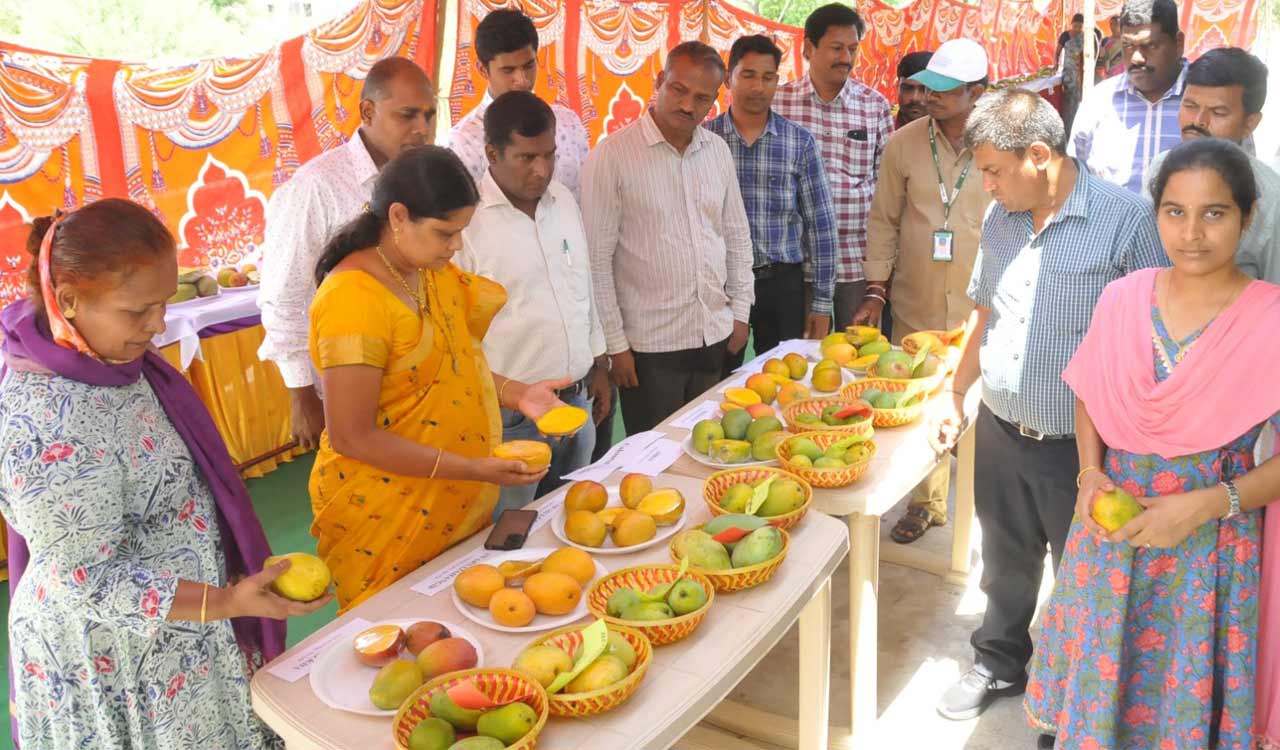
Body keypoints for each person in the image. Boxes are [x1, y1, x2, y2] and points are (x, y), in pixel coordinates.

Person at [0, 199, 330, 750]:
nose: (158, 328)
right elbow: (89, 579)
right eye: (138, 312)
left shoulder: (112, 363)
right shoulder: (46, 419)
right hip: (116, 653)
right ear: (70, 300)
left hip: (185, 623)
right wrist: (227, 601)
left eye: (162, 304)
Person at [1025, 138, 1280, 750]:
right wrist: (1090, 474)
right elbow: (1089, 389)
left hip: (1210, 553)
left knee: (1179, 706)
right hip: (1112, 541)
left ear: (1247, 217)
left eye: (1214, 213)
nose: (1192, 232)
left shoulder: (1270, 319)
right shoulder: (1123, 297)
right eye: (1174, 211)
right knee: (1102, 694)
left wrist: (1208, 504)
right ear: (1156, 214)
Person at [930, 88, 1168, 723]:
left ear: (1039, 155)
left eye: (992, 170)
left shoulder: (1125, 222)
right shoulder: (1004, 219)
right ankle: (999, 661)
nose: (986, 184)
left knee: (1083, 575)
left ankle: (1070, 700)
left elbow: (1155, 334)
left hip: (1082, 448)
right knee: (1005, 559)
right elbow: (986, 312)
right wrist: (956, 392)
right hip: (1004, 430)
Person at [307, 145, 569, 611]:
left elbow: (451, 368)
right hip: (385, 513)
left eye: (461, 233)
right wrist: (472, 467)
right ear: (399, 216)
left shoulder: (428, 273)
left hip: (453, 495)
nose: (456, 247)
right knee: (399, 631)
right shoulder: (352, 299)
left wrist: (517, 393)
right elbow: (351, 435)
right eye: (445, 233)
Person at [259, 57, 436, 452]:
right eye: (407, 115)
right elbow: (282, 295)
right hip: (349, 385)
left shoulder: (421, 179)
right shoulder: (315, 187)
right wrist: (301, 393)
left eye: (429, 115)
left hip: (419, 382)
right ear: (367, 111)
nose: (422, 129)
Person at [855, 38, 991, 545]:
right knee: (927, 402)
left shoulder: (1002, 145)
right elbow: (884, 220)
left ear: (977, 93)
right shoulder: (904, 144)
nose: (928, 97)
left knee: (984, 402)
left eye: (943, 90)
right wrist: (876, 289)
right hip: (918, 299)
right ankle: (926, 502)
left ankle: (985, 505)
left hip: (985, 304)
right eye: (926, 87)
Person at [582, 42, 754, 434]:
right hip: (649, 347)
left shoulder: (717, 152)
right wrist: (616, 346)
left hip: (714, 333)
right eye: (678, 90)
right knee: (655, 460)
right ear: (659, 82)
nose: (688, 106)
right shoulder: (612, 157)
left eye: (702, 98)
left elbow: (737, 237)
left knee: (710, 446)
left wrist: (740, 313)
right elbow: (597, 261)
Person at [455, 91, 610, 517]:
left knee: (576, 522)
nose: (541, 170)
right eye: (526, 158)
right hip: (510, 418)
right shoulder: (466, 224)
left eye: (549, 155)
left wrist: (599, 364)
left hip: (576, 401)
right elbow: (456, 337)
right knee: (512, 535)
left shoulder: (562, 200)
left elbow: (583, 284)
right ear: (491, 152)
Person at [704, 35, 838, 374]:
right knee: (715, 380)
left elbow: (821, 227)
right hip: (720, 285)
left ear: (777, 81)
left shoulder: (799, 142)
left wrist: (821, 304)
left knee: (783, 379)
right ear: (728, 78)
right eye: (747, 75)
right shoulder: (704, 141)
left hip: (782, 284)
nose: (757, 86)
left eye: (767, 77)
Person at [774, 3, 894, 331]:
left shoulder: (874, 106)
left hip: (854, 267)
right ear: (809, 48)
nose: (846, 58)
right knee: (797, 361)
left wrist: (879, 281)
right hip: (796, 265)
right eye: (837, 48)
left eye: (853, 49)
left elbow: (889, 192)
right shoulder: (778, 104)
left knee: (857, 360)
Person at [1144, 48, 1280, 284]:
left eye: (1217, 112)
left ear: (1249, 123)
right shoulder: (1159, 168)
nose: (1198, 121)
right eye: (1190, 106)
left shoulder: (1272, 197)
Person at [446, 8, 590, 200]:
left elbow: (586, 198)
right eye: (508, 70)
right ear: (482, 69)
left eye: (529, 66)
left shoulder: (568, 124)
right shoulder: (464, 141)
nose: (522, 80)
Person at [1070, 0, 1186, 194]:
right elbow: (1073, 182)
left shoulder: (1211, 102)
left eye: (1150, 45)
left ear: (1178, 43)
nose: (1136, 58)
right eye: (1127, 46)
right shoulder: (1098, 102)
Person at [896, 51, 934, 129]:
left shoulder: (954, 135)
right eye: (907, 88)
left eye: (924, 89)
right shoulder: (881, 129)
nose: (915, 98)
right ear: (897, 86)